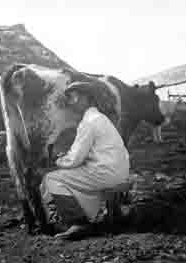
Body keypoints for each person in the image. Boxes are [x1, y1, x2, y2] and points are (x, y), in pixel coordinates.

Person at [40, 81, 130, 238]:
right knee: (73, 175)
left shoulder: (88, 122)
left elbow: (75, 159)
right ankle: (103, 213)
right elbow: (84, 153)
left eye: (74, 98)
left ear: (86, 99)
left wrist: (59, 162)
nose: (71, 103)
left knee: (51, 179)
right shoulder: (100, 118)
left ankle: (79, 223)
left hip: (105, 173)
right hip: (119, 170)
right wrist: (70, 158)